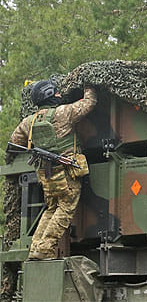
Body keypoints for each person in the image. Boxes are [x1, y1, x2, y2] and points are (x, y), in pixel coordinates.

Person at [8, 81, 97, 260]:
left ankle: (35, 248)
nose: (58, 95)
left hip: (46, 175)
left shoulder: (29, 122)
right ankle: (45, 247)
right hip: (67, 173)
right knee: (65, 208)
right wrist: (89, 84)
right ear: (50, 95)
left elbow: (14, 142)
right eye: (56, 93)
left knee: (51, 209)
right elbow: (90, 102)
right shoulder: (63, 113)